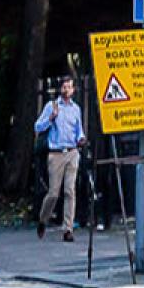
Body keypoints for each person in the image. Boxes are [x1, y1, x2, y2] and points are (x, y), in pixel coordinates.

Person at [32, 77, 85, 241]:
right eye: (64, 87)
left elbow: (79, 130)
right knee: (54, 193)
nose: (67, 90)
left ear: (73, 90)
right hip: (56, 153)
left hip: (72, 152)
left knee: (70, 191)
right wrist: (51, 118)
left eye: (69, 87)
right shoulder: (52, 106)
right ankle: (43, 219)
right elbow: (37, 126)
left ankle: (68, 229)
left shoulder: (76, 109)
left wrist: (81, 138)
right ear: (60, 89)